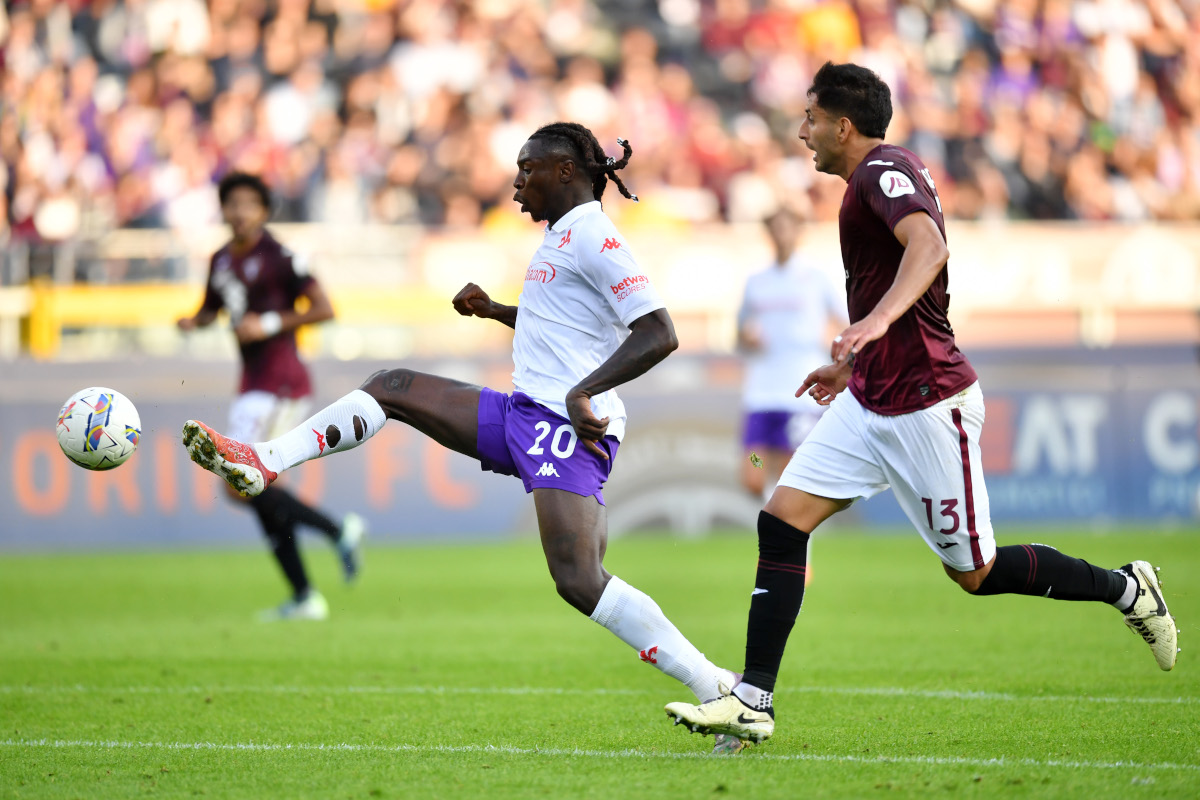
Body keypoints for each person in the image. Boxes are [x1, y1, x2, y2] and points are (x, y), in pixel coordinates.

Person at [664, 62, 1179, 749]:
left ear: (843, 125)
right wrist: (852, 359)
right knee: (782, 521)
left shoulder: (882, 171)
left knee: (976, 572)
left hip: (930, 403)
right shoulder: (868, 181)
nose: (802, 131)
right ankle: (754, 698)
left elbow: (930, 246)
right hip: (870, 399)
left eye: (811, 118)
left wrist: (873, 324)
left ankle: (1126, 588)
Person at [180, 123, 739, 720]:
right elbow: (568, 326)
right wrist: (495, 311)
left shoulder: (595, 237)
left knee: (579, 580)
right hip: (527, 411)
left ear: (567, 172)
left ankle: (719, 687)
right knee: (392, 387)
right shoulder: (562, 235)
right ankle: (263, 459)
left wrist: (585, 392)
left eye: (529, 169)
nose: (517, 182)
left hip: (562, 425)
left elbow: (659, 333)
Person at [178, 171, 366, 622]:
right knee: (248, 485)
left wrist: (265, 325)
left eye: (249, 204)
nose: (239, 212)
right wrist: (193, 322)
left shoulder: (281, 256)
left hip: (281, 383)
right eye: (232, 203)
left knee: (244, 481)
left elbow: (324, 308)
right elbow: (210, 310)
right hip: (252, 384)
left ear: (263, 212)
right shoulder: (220, 259)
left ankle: (335, 534)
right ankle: (307, 591)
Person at [736, 208, 846, 502]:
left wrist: (834, 352)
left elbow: (847, 322)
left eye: (787, 227)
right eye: (775, 228)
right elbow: (738, 334)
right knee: (754, 472)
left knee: (790, 478)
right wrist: (746, 339)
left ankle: (788, 540)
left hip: (798, 391)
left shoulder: (815, 277)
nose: (781, 233)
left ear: (799, 231)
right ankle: (776, 523)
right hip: (760, 391)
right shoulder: (756, 281)